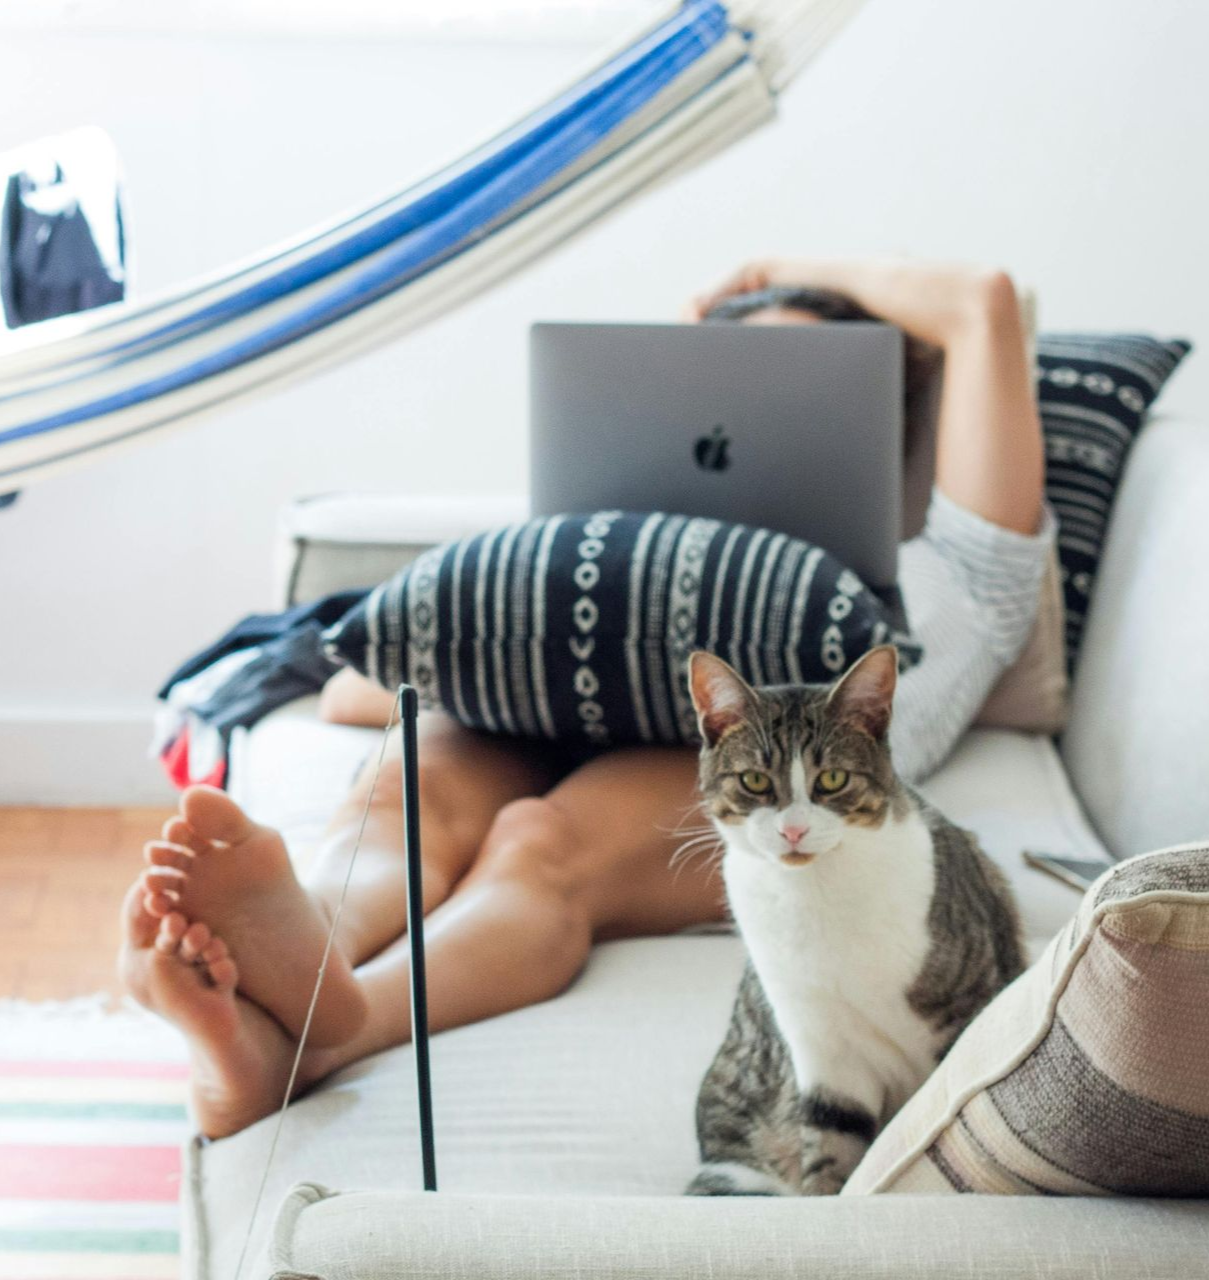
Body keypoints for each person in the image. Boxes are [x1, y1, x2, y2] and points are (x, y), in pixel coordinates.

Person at [118, 258, 1054, 1139]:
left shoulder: (945, 581)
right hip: (573, 703)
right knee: (407, 793)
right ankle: (309, 927)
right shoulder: (617, 554)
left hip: (767, 758)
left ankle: (325, 1031)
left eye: (792, 387)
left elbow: (986, 301)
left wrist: (785, 271)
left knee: (542, 845)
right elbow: (351, 693)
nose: (744, 420)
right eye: (727, 388)